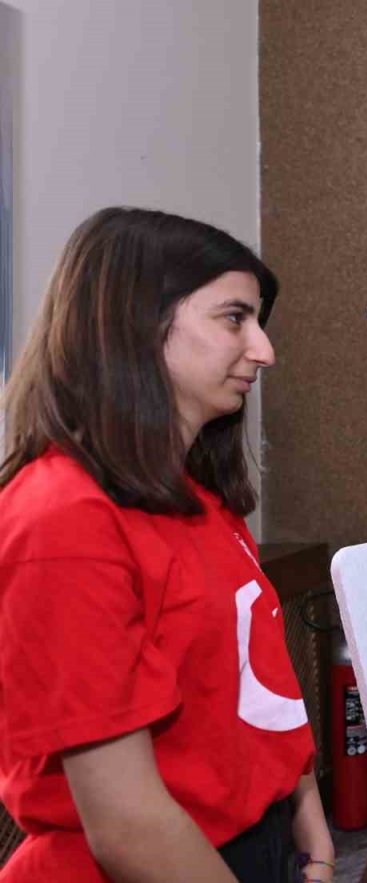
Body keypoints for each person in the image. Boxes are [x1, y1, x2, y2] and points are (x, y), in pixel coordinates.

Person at [0, 208, 333, 883]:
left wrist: (314, 840)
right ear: (137, 323)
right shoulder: (65, 518)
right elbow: (128, 826)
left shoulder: (199, 498)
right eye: (235, 318)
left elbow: (255, 691)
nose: (264, 350)